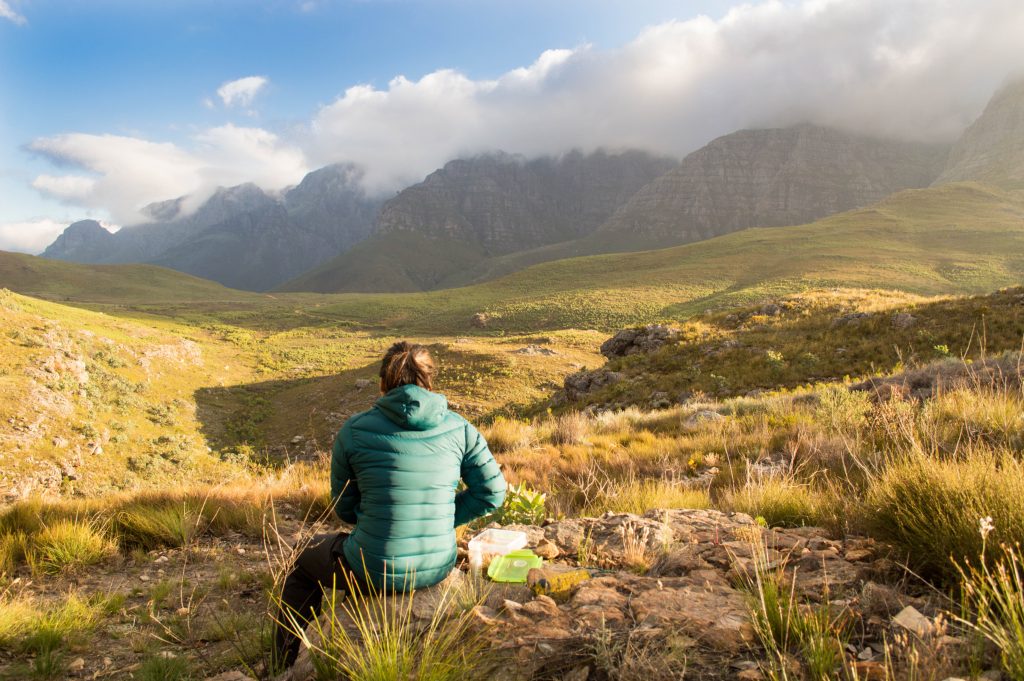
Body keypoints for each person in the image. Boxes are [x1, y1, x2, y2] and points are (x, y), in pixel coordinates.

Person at [273, 341, 507, 668]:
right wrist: (437, 519)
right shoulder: (460, 428)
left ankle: (283, 663)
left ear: (383, 383)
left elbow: (343, 508)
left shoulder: (355, 431)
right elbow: (492, 493)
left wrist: (384, 519)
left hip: (372, 568)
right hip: (438, 565)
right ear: (429, 381)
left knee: (303, 558)